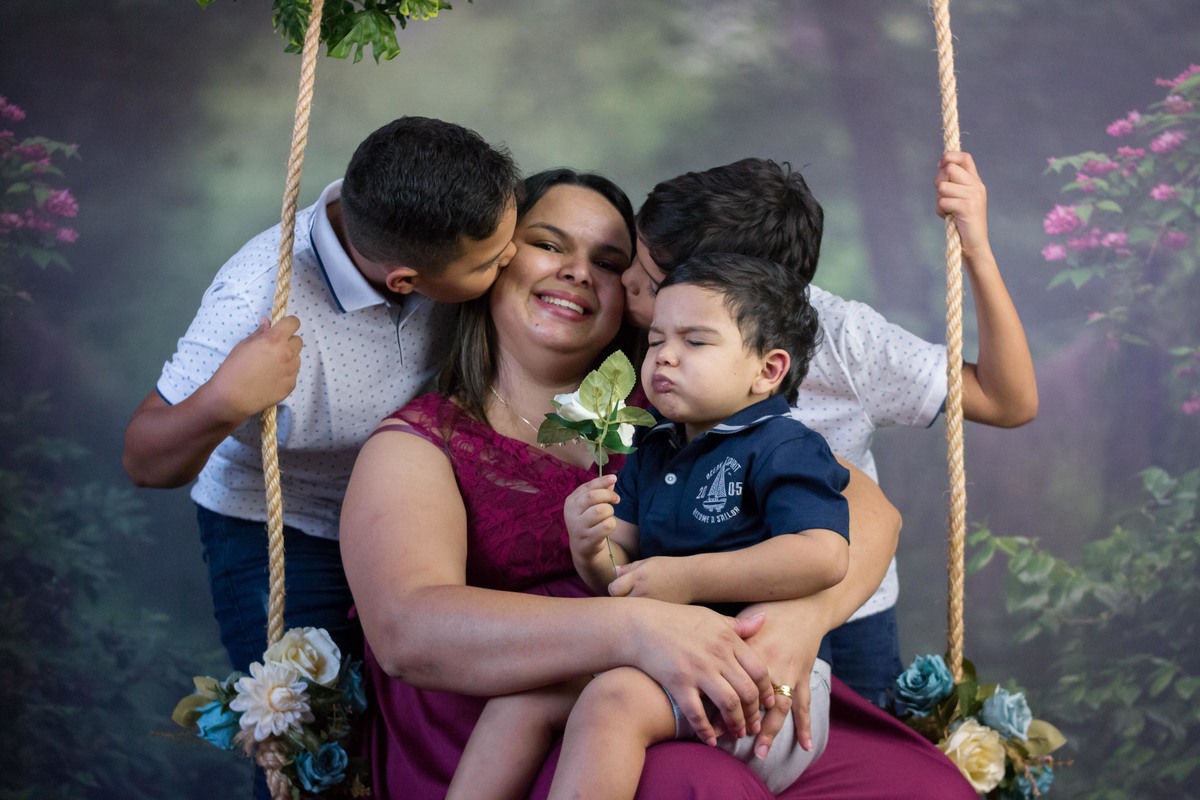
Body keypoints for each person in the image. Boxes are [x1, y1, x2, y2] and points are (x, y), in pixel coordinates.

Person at [340, 168, 977, 799]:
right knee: (689, 783)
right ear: (495, 259)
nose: (579, 271)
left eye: (611, 260)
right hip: (515, 715)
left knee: (920, 787)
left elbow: (867, 513)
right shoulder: (426, 439)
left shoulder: (683, 399)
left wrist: (800, 619)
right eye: (549, 243)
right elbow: (407, 631)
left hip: (709, 672)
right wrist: (636, 627)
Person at [621, 151, 1038, 707]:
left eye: (650, 280)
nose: (624, 282)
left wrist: (978, 252)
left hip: (841, 610)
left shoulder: (844, 342)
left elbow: (1006, 400)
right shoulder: (646, 341)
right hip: (686, 606)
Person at [121, 116, 522, 679]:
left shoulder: (435, 227)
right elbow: (143, 459)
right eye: (489, 262)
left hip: (407, 506)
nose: (512, 259)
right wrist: (226, 398)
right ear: (403, 280)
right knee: (310, 734)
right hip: (286, 527)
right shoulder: (254, 298)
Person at [449, 252, 851, 800]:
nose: (665, 357)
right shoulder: (656, 446)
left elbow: (823, 555)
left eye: (695, 342)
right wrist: (590, 545)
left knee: (611, 699)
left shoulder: (785, 445)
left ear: (768, 369)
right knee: (520, 697)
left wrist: (688, 579)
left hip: (758, 685)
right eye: (657, 340)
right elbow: (619, 576)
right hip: (665, 661)